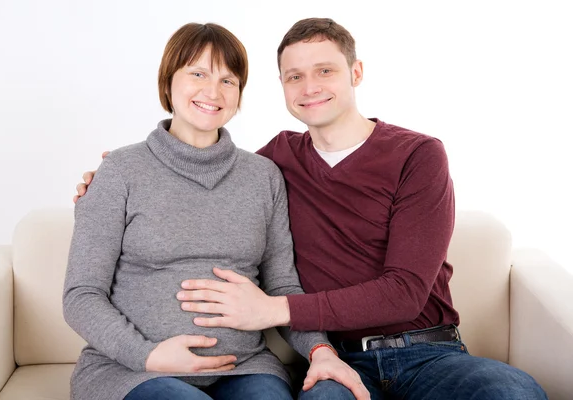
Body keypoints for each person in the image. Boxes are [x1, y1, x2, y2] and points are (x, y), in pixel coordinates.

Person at [75, 18, 548, 399]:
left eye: (325, 70)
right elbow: (199, 174)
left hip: (426, 354)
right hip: (320, 357)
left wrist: (276, 313)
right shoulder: (274, 161)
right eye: (294, 76)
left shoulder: (413, 155)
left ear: (355, 73)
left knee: (513, 392)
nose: (310, 86)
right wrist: (106, 184)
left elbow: (400, 291)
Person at [64, 22, 368, 400]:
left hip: (246, 367)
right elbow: (81, 295)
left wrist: (319, 350)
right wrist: (149, 354)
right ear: (168, 82)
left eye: (228, 80)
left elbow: (283, 288)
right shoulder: (120, 171)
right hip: (133, 371)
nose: (213, 91)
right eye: (197, 73)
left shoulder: (262, 176)